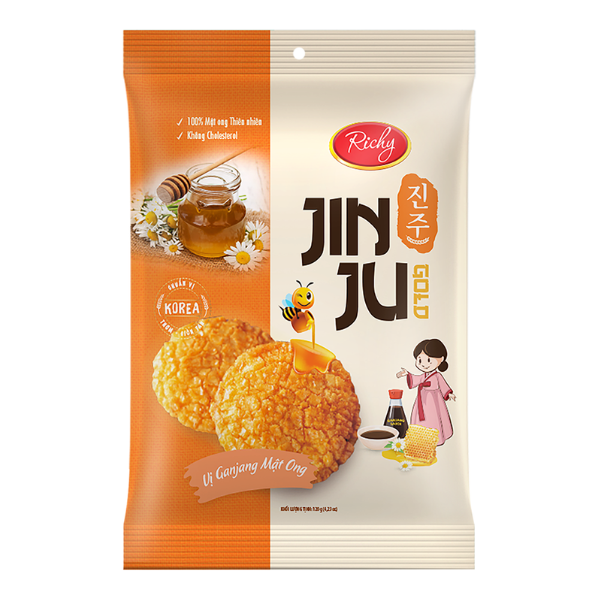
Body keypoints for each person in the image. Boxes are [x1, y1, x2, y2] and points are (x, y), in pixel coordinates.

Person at [396, 339, 456, 446]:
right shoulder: (423, 376)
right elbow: (415, 379)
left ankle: (435, 439)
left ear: (441, 359)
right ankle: (420, 439)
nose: (424, 364)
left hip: (434, 401)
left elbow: (443, 386)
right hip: (422, 400)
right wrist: (407, 374)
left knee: (434, 418)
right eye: (420, 360)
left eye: (428, 360)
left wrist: (449, 394)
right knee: (420, 419)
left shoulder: (437, 376)